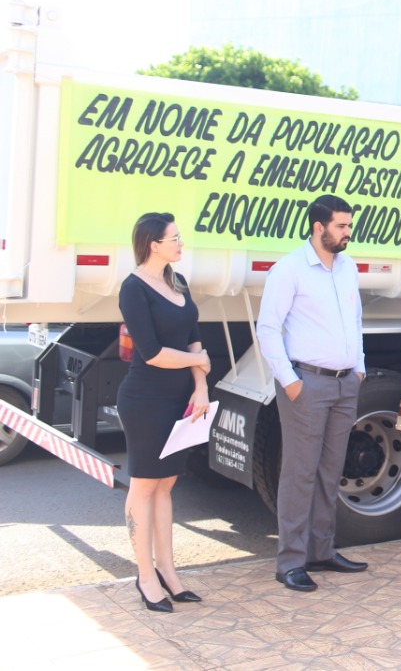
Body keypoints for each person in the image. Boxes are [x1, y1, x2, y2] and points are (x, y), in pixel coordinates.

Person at [258, 195, 368, 592]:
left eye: (349, 226)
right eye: (340, 226)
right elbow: (268, 329)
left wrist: (359, 367)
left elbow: (355, 319)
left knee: (330, 471)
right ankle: (290, 562)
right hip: (308, 383)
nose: (347, 233)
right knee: (299, 473)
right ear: (318, 227)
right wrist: (290, 382)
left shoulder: (348, 267)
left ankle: (322, 552)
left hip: (344, 382)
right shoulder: (288, 270)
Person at [116, 213, 211, 612]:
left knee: (166, 485)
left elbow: (192, 338)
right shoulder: (133, 288)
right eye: (175, 238)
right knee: (144, 486)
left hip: (182, 400)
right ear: (154, 243)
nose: (181, 243)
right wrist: (202, 360)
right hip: (144, 400)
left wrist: (201, 384)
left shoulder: (178, 281)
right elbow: (151, 353)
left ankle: (169, 572)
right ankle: (145, 577)